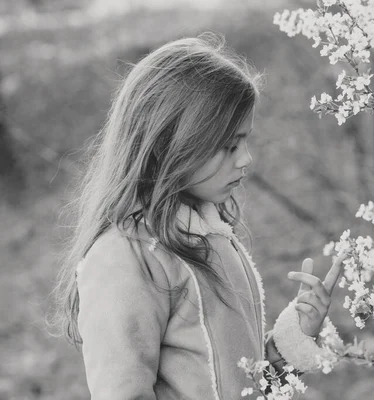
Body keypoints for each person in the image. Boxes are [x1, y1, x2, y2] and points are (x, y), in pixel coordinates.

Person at [52, 34, 348, 399]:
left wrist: (294, 336)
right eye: (228, 146)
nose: (245, 159)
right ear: (171, 142)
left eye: (244, 141)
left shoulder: (212, 238)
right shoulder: (124, 259)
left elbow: (241, 384)